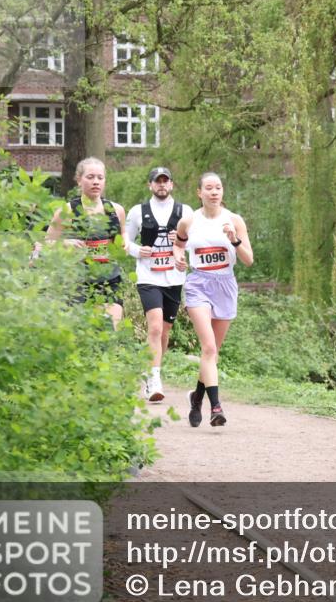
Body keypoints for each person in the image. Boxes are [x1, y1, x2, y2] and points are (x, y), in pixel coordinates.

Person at [172, 172, 253, 427]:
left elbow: (249, 259)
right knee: (208, 348)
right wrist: (177, 257)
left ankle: (197, 397)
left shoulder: (234, 220)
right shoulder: (189, 221)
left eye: (218, 187)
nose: (214, 192)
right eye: (209, 188)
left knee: (212, 353)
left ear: (222, 192)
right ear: (199, 192)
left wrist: (234, 240)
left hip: (225, 284)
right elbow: (178, 243)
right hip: (198, 284)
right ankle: (215, 407)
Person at [124, 167, 194, 402]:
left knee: (164, 333)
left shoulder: (185, 212)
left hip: (173, 278)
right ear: (150, 185)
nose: (161, 185)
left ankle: (151, 370)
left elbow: (196, 242)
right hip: (148, 277)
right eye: (157, 182)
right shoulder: (137, 211)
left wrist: (183, 245)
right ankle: (155, 380)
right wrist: (137, 250)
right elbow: (125, 240)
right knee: (154, 328)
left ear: (172, 185)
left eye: (166, 181)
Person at [45, 157, 127, 326]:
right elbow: (47, 243)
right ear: (79, 180)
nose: (95, 182)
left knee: (110, 330)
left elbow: (123, 237)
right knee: (85, 334)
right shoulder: (67, 210)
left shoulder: (116, 210)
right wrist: (66, 244)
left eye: (100, 177)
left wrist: (123, 245)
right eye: (90, 177)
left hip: (109, 279)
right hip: (79, 282)